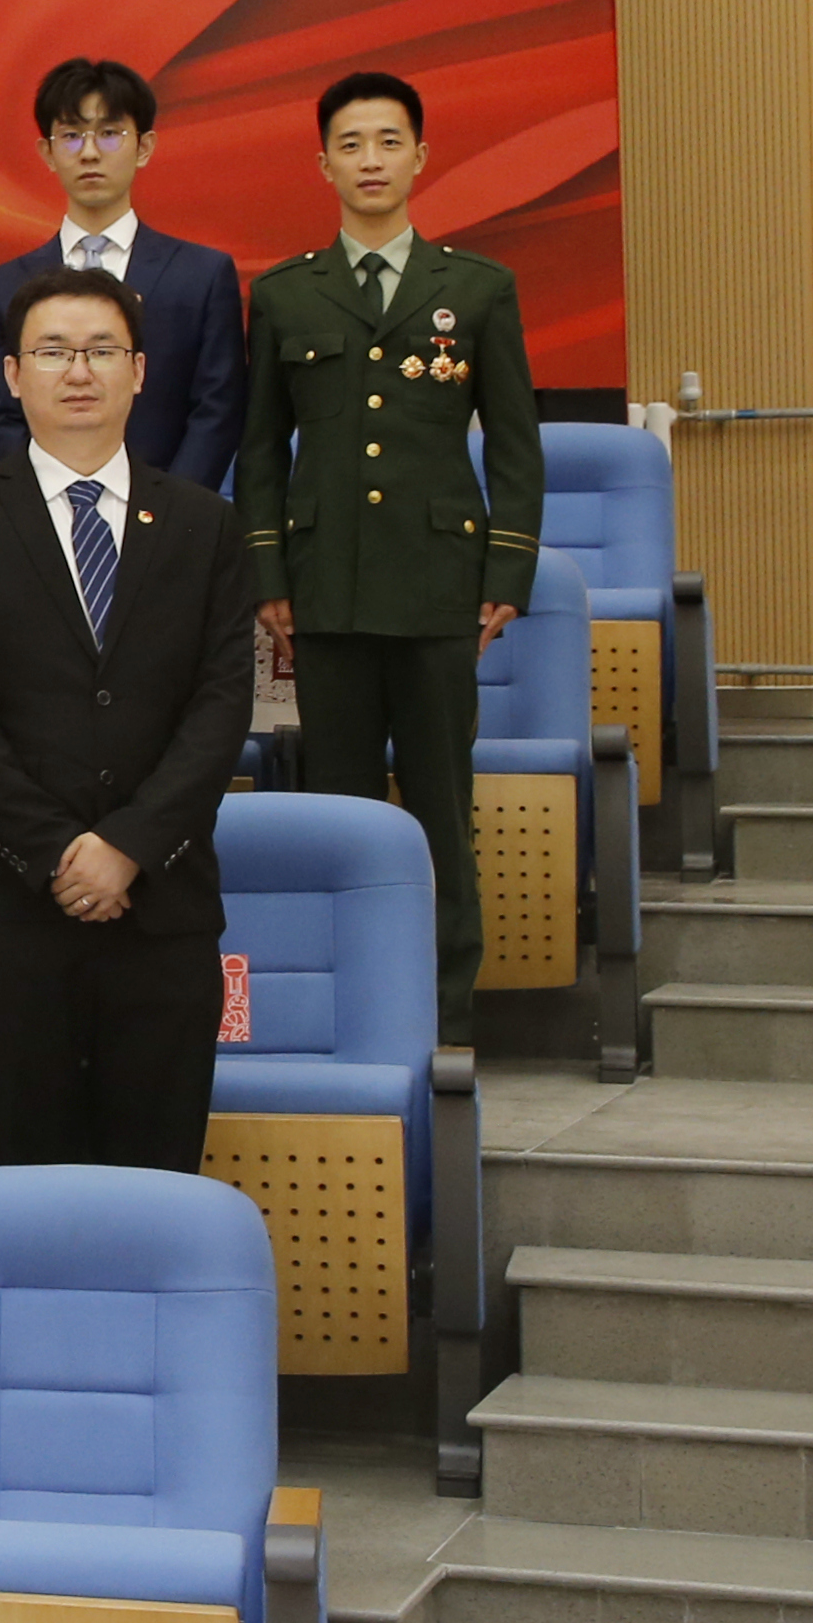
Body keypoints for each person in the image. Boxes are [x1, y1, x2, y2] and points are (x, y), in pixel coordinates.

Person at [0, 268, 256, 1175]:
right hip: (12, 911)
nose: (78, 371)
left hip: (164, 910)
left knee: (156, 1177)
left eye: (101, 351)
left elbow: (222, 705)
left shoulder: (205, 523)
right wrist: (59, 851)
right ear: (12, 374)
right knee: (23, 1179)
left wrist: (130, 846)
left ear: (138, 371)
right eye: (53, 351)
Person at [238, 72, 543, 1041]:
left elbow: (516, 445)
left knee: (443, 805)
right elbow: (259, 449)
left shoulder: (477, 288)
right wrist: (269, 575)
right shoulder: (285, 293)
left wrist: (506, 576)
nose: (370, 160)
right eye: (351, 143)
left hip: (439, 588)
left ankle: (446, 1012)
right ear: (323, 163)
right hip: (323, 593)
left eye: (388, 141)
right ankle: (354, 1005)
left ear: (419, 156)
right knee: (342, 808)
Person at [0, 58, 246, 488]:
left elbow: (218, 409)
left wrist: (169, 507)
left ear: (144, 147)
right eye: (71, 136)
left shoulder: (202, 276)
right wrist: (52, 503)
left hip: (169, 509)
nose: (90, 152)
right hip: (40, 512)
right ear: (47, 153)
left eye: (110, 134)